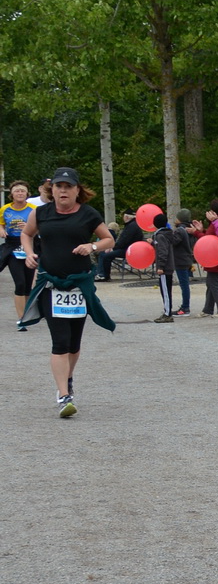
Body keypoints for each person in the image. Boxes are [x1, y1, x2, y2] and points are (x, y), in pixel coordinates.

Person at [17, 168, 116, 416]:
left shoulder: (88, 214)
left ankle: (68, 379)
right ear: (52, 190)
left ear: (77, 190)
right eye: (58, 186)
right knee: (60, 341)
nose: (63, 191)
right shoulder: (41, 213)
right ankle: (64, 395)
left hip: (79, 286)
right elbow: (27, 234)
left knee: (73, 343)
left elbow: (108, 240)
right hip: (51, 284)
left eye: (68, 186)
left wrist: (91, 246)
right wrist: (29, 253)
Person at [6, 181, 33, 323]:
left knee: (28, 285)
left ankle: (28, 314)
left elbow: (42, 228)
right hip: (13, 247)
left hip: (30, 246)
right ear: (12, 194)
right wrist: (1, 230)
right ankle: (21, 318)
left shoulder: (34, 210)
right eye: (17, 191)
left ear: (27, 194)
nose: (20, 193)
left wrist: (28, 227)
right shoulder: (5, 209)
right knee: (20, 283)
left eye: (23, 191)